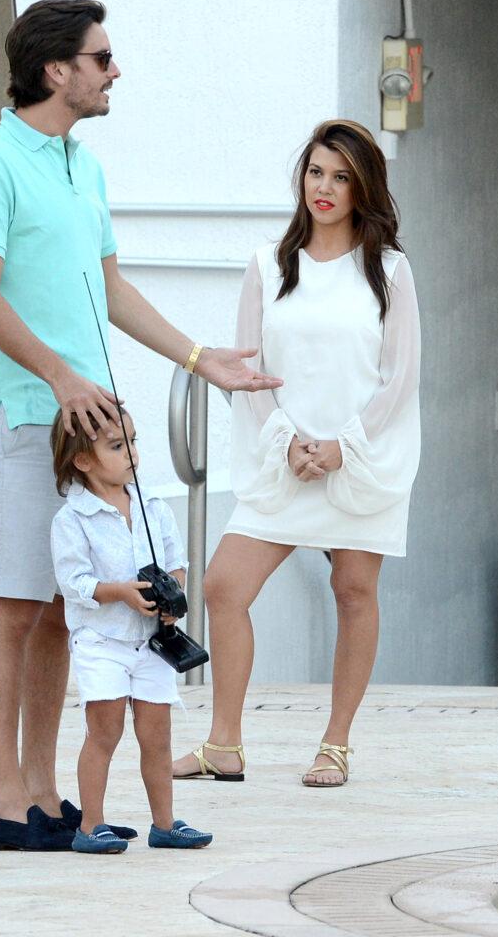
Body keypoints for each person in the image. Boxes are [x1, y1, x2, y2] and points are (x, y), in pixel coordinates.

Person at [0, 0, 280, 851]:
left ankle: (43, 793)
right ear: (56, 70)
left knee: (64, 613)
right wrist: (59, 377)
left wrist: (198, 357)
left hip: (90, 420)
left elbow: (112, 290)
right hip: (28, 417)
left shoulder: (81, 168)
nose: (115, 70)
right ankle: (2, 801)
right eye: (102, 57)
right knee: (15, 604)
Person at [173, 120, 421, 788]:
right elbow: (246, 370)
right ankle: (223, 744)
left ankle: (334, 743)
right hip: (280, 456)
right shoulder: (266, 266)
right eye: (316, 172)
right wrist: (286, 443)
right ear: (301, 178)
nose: (325, 187)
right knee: (224, 586)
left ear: (361, 186)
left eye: (340, 176)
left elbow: (397, 380)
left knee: (352, 591)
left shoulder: (389, 272)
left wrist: (343, 447)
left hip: (358, 458)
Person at [50, 407, 213, 852]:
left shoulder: (153, 506)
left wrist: (171, 601)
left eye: (133, 442)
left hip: (151, 643)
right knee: (104, 733)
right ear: (82, 460)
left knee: (157, 736)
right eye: (117, 446)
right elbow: (74, 583)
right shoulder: (72, 519)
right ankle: (90, 826)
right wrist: (120, 591)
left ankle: (165, 824)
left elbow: (177, 563)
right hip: (101, 643)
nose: (132, 454)